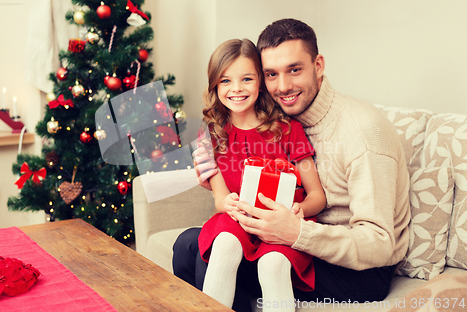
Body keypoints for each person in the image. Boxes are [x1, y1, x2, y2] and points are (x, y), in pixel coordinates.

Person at [173, 19, 411, 311]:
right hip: (293, 237)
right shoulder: (284, 116)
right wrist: (216, 184)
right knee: (191, 244)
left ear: (319, 65)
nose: (283, 86)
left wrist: (295, 232)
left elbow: (378, 244)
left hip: (357, 271)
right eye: (272, 74)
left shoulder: (363, 133)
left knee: (196, 250)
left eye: (294, 70)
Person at [197, 38, 326, 311]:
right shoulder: (210, 135)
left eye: (246, 79)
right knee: (224, 245)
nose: (236, 89)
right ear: (214, 86)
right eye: (225, 81)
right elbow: (220, 199)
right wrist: (227, 203)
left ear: (260, 82)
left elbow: (317, 196)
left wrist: (298, 210)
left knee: (273, 264)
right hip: (239, 220)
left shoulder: (288, 129)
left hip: (282, 223)